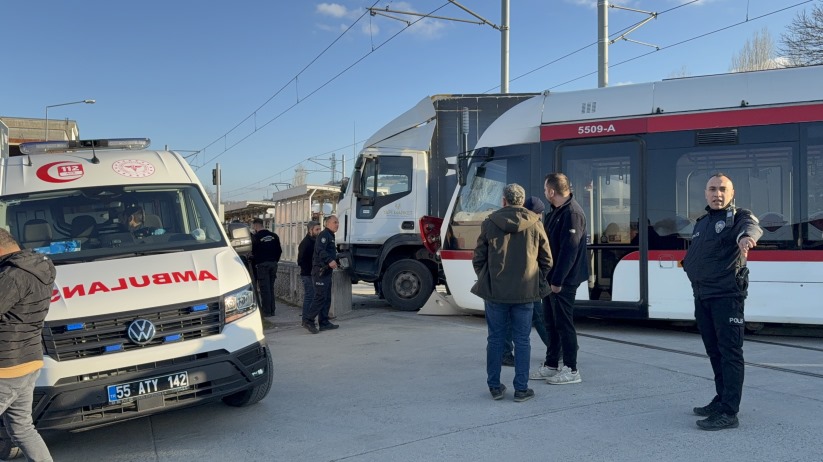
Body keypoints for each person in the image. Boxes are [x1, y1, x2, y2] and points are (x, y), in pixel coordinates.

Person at [682, 173, 762, 431]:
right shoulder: (703, 222)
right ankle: (721, 399)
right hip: (702, 295)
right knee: (714, 351)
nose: (717, 194)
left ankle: (729, 412)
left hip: (726, 296)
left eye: (723, 189)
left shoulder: (739, 217)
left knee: (730, 353)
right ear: (705, 193)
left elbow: (751, 228)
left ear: (731, 193)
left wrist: (745, 239)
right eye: (712, 189)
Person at [471, 184, 552, 402]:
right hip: (525, 293)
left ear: (504, 201)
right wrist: (534, 280)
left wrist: (487, 278)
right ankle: (521, 389)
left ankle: (495, 387)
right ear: (522, 201)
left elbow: (478, 258)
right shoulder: (536, 223)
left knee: (495, 339)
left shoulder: (489, 223)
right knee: (523, 340)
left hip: (496, 293)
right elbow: (547, 261)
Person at [0, 228, 55, 461]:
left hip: (5, 365)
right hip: (29, 360)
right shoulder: (41, 267)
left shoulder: (11, 276)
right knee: (23, 428)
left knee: (22, 428)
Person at [532, 173, 589, 385]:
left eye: (546, 189)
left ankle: (572, 369)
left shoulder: (572, 214)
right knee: (551, 322)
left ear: (552, 191)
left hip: (563, 281)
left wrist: (557, 281)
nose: (545, 193)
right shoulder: (557, 212)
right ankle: (551, 365)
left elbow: (569, 250)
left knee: (564, 323)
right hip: (551, 279)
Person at [501, 196, 551, 367]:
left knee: (507, 320)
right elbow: (546, 259)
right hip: (529, 282)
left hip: (507, 282)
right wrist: (541, 276)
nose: (541, 216)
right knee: (539, 316)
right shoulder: (534, 226)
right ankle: (554, 348)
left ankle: (504, 353)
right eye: (540, 213)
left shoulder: (501, 222)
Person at [303, 215, 340, 334]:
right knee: (319, 297)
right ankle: (308, 320)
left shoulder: (330, 235)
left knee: (326, 298)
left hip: (327, 272)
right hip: (320, 272)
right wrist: (329, 260)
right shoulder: (324, 235)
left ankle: (324, 322)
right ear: (327, 223)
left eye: (338, 222)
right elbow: (319, 250)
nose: (337, 224)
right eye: (335, 222)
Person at [251, 218, 283, 317]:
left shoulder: (255, 237)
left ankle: (266, 312)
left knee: (265, 289)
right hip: (273, 264)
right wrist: (274, 261)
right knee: (271, 287)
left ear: (256, 226)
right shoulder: (274, 236)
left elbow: (253, 252)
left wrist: (256, 260)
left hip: (262, 265)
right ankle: (272, 310)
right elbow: (279, 251)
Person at [297, 221, 322, 323]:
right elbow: (300, 260)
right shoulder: (306, 243)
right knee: (309, 296)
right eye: (317, 230)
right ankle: (306, 318)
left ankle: (312, 317)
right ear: (310, 230)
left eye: (319, 229)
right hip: (307, 274)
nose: (319, 232)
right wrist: (310, 269)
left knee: (315, 296)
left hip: (314, 273)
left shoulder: (316, 241)